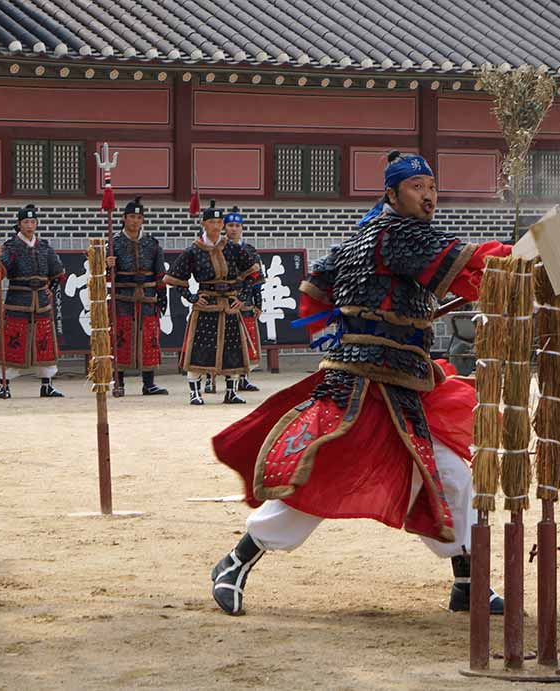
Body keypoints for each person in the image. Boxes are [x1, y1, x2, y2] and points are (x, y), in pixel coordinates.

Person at [210, 151, 511, 616]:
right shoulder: (400, 235)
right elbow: (474, 269)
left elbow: (315, 290)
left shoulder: (364, 237)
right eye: (417, 187)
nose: (428, 196)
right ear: (392, 194)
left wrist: (368, 325)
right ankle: (235, 562)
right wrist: (529, 261)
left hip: (398, 380)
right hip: (363, 387)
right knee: (323, 473)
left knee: (451, 473)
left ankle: (467, 581)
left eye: (432, 187)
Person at [165, 200, 259, 405]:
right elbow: (174, 277)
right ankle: (195, 392)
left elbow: (253, 273)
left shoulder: (233, 249)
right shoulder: (194, 250)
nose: (216, 226)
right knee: (199, 348)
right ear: (204, 224)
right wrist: (192, 297)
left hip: (230, 306)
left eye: (219, 222)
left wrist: (243, 296)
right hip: (206, 305)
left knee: (232, 349)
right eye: (212, 222)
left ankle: (231, 392)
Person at [0, 204, 65, 398]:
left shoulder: (44, 247)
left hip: (41, 300)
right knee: (13, 341)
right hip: (18, 300)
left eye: (33, 222)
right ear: (19, 224)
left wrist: (49, 289)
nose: (30, 225)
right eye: (26, 222)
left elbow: (58, 273)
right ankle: (4, 385)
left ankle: (46, 384)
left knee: (44, 342)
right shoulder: (11, 247)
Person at [106, 197, 168, 396]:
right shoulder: (113, 243)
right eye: (132, 216)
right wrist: (108, 265)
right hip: (123, 298)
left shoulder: (152, 243)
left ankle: (148, 383)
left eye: (139, 217)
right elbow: (104, 276)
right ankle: (119, 382)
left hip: (148, 297)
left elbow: (160, 274)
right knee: (121, 338)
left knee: (149, 338)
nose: (135, 221)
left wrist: (162, 295)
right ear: (124, 218)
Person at [214, 206, 262, 394]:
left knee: (247, 341)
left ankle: (244, 378)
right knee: (223, 340)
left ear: (242, 228)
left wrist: (258, 303)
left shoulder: (250, 250)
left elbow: (257, 280)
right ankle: (213, 378)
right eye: (230, 225)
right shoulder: (218, 248)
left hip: (246, 299)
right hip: (225, 300)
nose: (234, 229)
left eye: (237, 225)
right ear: (225, 227)